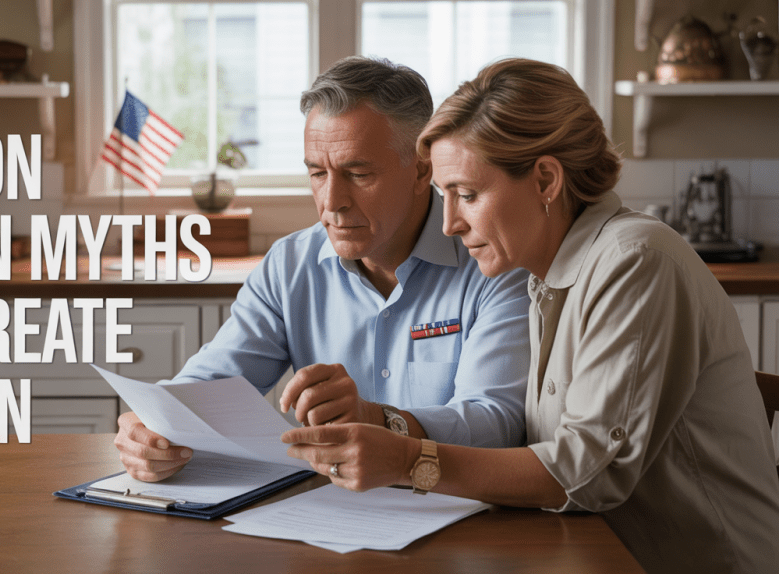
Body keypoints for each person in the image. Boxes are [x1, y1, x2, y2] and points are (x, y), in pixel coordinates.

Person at [282, 58, 779, 573]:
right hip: (599, 552)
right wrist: (385, 429)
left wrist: (410, 461)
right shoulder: (547, 273)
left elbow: (586, 474)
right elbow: (531, 442)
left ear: (545, 179)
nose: (449, 224)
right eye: (445, 196)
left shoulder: (635, 261)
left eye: (468, 195)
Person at [114, 56, 532, 482]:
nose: (332, 202)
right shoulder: (288, 265)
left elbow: (496, 423)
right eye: (317, 173)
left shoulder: (493, 260)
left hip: (460, 515)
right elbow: (211, 383)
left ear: (423, 170)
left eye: (358, 173)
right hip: (320, 514)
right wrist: (152, 424)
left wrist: (381, 420)